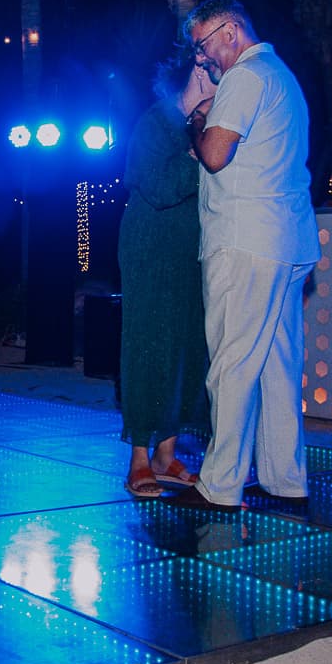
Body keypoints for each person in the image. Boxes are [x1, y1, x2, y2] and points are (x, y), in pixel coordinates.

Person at [178, 0, 320, 511]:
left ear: (231, 31)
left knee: (233, 361)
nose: (202, 59)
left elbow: (214, 155)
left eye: (204, 46)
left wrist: (197, 116)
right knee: (278, 365)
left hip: (246, 240)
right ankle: (285, 478)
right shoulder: (283, 76)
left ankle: (219, 486)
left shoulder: (244, 76)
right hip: (289, 241)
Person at [117, 57, 214, 497]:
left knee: (187, 349)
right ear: (199, 72)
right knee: (148, 346)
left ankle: (167, 454)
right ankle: (139, 457)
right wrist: (198, 153)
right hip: (150, 251)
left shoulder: (204, 124)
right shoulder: (156, 121)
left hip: (193, 253)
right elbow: (156, 188)